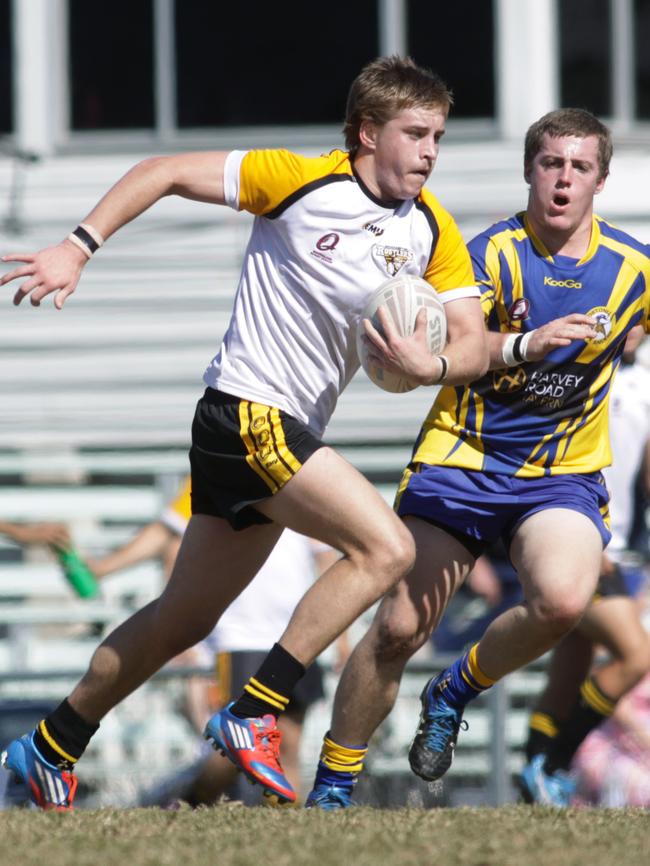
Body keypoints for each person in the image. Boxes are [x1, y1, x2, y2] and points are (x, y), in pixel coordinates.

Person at [0, 55, 488, 810]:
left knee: (183, 618)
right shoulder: (294, 178)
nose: (430, 151)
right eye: (415, 133)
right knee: (387, 548)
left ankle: (52, 743)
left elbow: (474, 342)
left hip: (277, 434)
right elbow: (160, 170)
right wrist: (78, 245)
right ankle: (256, 710)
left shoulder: (431, 228)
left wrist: (434, 365)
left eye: (439, 137)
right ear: (366, 132)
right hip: (245, 411)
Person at [305, 107, 650, 809]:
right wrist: (502, 346)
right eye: (551, 163)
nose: (562, 179)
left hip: (560, 474)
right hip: (465, 459)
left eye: (579, 167)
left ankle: (453, 690)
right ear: (529, 170)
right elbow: (456, 351)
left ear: (601, 180)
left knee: (560, 601)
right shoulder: (483, 255)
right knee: (399, 628)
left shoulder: (633, 269)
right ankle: (333, 789)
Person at [519, 326, 650, 805]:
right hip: (577, 541)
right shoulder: (572, 374)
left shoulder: (643, 384)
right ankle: (555, 765)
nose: (633, 328)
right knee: (637, 655)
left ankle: (533, 775)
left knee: (569, 671)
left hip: (612, 549)